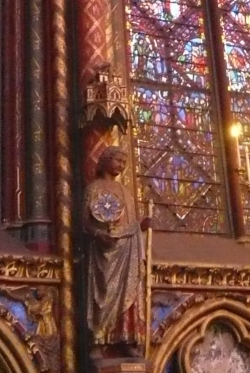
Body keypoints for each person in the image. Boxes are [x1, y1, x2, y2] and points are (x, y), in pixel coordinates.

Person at [82, 146, 151, 358]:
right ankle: (98, 339)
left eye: (124, 163)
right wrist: (98, 234)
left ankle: (126, 338)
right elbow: (84, 222)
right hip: (104, 249)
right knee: (103, 293)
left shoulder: (126, 192)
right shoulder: (93, 188)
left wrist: (141, 226)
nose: (121, 166)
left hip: (127, 248)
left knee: (129, 293)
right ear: (105, 160)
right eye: (118, 161)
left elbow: (130, 223)